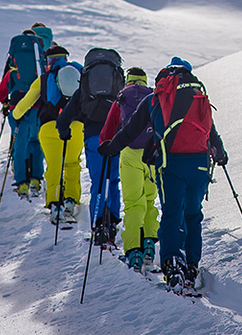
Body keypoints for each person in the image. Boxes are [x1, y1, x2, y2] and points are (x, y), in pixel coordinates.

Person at [111, 56, 226, 290]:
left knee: (172, 214)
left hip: (170, 164)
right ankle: (192, 266)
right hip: (199, 165)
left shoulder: (156, 98)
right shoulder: (199, 96)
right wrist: (221, 154)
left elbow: (131, 130)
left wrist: (110, 147)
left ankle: (173, 265)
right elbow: (211, 132)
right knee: (193, 214)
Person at [14, 44, 84, 227]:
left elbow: (25, 104)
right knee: (72, 163)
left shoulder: (44, 78)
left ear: (48, 61)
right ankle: (71, 200)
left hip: (49, 126)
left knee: (54, 165)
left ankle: (54, 203)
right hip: (76, 126)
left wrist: (15, 114)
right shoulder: (79, 74)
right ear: (66, 58)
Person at [98, 66, 159, 270]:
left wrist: (106, 146)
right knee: (149, 200)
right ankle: (149, 244)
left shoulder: (122, 98)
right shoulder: (153, 97)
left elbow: (108, 131)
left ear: (128, 80)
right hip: (152, 155)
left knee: (133, 203)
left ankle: (134, 252)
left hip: (130, 155)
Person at [70, 48, 127, 246]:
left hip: (94, 136)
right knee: (113, 180)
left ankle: (98, 224)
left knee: (98, 181)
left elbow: (68, 114)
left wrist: (65, 128)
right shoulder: (119, 83)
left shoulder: (85, 87)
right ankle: (112, 222)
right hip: (116, 137)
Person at [1, 27, 48, 197]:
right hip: (37, 106)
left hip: (17, 107)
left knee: (20, 145)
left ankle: (22, 183)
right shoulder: (40, 59)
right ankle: (36, 179)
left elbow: (2, 88)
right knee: (36, 142)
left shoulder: (14, 62)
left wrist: (0, 98)